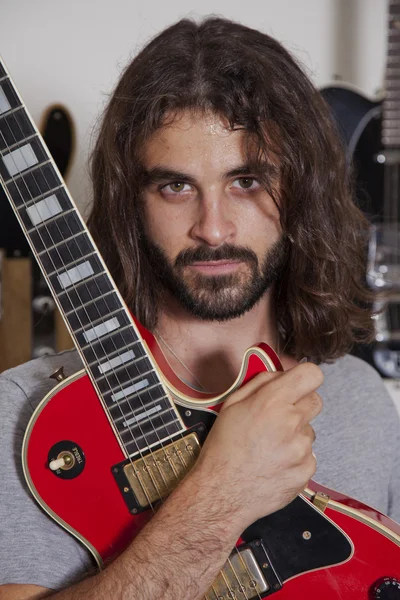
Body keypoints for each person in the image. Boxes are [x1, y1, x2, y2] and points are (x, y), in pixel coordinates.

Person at [1, 16, 400, 600]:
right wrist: (222, 492)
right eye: (175, 187)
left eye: (246, 181)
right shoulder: (22, 414)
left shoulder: (358, 397)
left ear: (302, 191)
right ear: (130, 203)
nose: (213, 229)